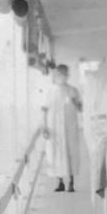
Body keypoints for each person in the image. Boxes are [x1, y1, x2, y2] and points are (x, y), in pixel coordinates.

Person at [43, 64, 83, 193]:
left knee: (70, 152)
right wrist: (44, 126)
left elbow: (80, 108)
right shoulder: (50, 91)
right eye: (60, 74)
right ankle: (59, 182)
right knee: (56, 154)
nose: (63, 76)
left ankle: (71, 183)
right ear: (56, 74)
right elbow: (44, 109)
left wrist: (74, 101)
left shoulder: (73, 90)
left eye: (65, 74)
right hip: (54, 128)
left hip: (69, 127)